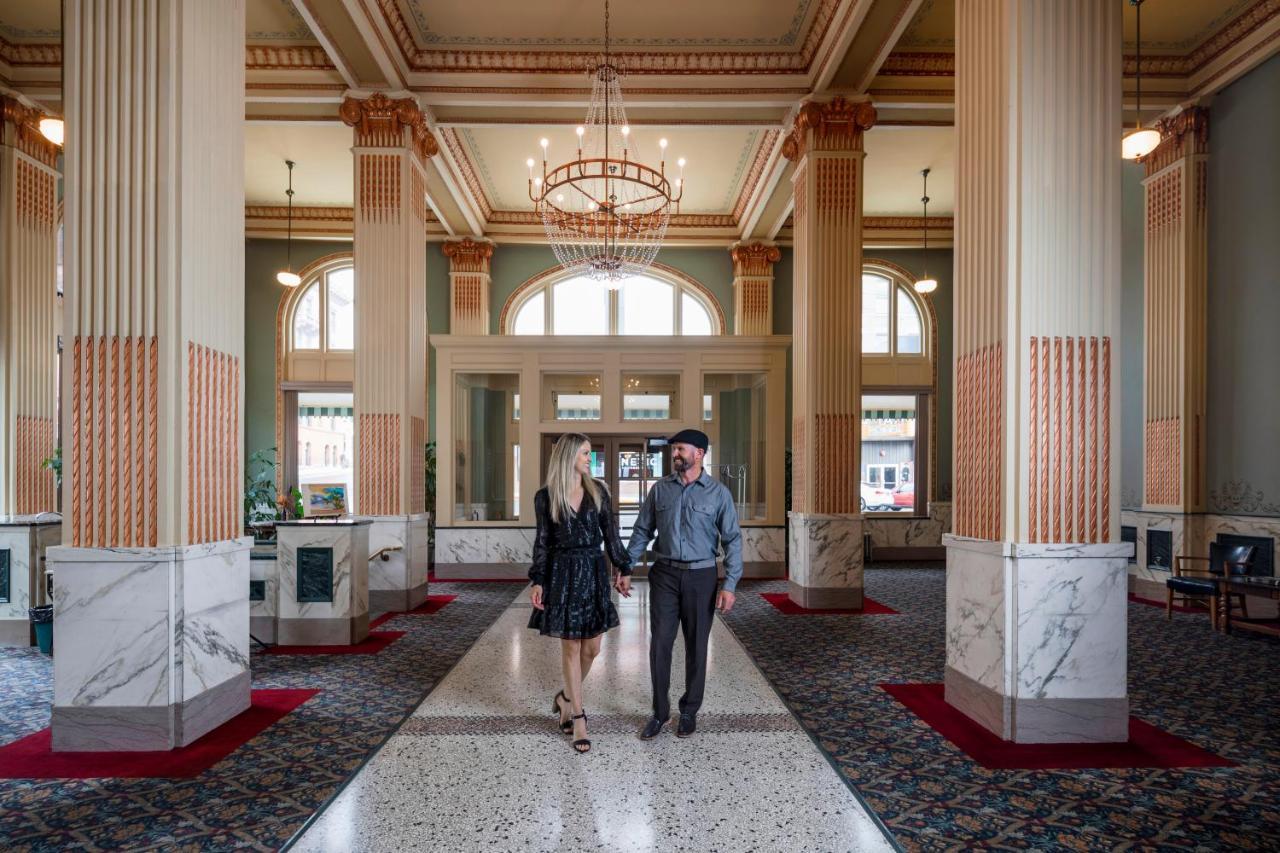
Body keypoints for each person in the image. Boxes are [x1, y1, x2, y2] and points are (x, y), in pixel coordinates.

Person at [620, 428, 742, 740]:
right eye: (674, 450)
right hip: (664, 574)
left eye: (681, 449)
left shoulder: (718, 494)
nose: (675, 454)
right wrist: (625, 565)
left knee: (697, 646)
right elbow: (642, 530)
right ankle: (659, 713)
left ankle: (689, 711)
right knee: (660, 643)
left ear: (700, 453)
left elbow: (732, 540)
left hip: (702, 577)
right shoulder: (661, 490)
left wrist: (729, 584)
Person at [528, 432, 633, 754]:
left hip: (593, 572)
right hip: (561, 574)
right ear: (569, 455)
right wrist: (538, 580)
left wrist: (623, 567)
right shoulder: (546, 497)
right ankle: (578, 717)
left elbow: (611, 535)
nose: (590, 459)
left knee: (593, 649)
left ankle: (564, 697)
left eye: (590, 454)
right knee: (571, 647)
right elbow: (543, 543)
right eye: (586, 454)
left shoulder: (599, 491)